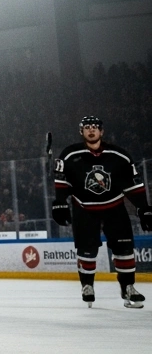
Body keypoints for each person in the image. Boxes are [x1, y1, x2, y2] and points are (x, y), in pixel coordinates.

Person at [52, 116, 149, 308]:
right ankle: (87, 286)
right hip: (84, 208)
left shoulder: (119, 155)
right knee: (87, 250)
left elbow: (132, 184)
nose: (91, 130)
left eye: (95, 127)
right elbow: (63, 181)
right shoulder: (70, 154)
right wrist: (60, 201)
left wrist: (143, 207)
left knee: (125, 249)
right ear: (82, 131)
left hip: (114, 207)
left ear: (101, 131)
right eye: (87, 127)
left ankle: (128, 287)